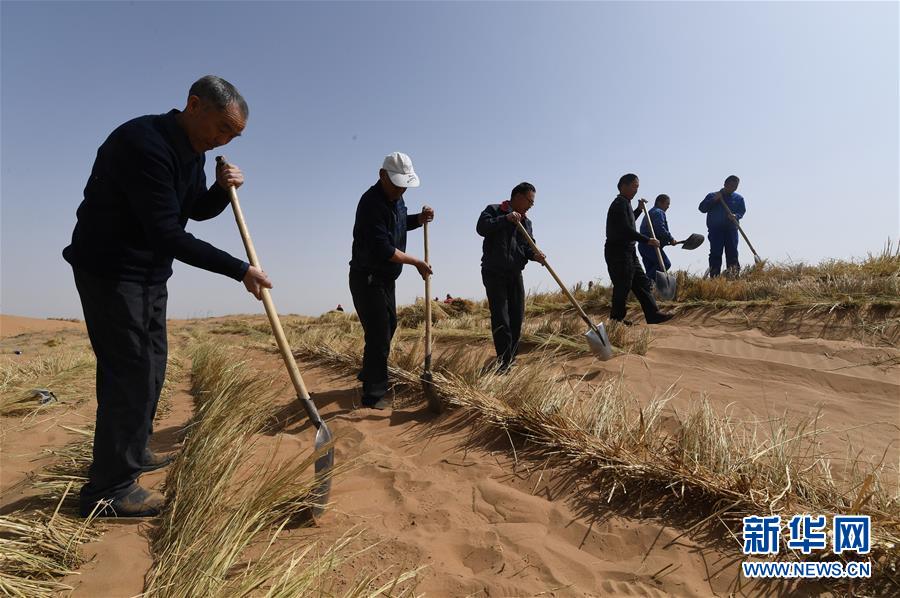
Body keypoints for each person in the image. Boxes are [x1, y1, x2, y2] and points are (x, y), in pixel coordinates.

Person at [62, 75, 272, 518]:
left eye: (233, 137)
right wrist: (239, 270)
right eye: (222, 129)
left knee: (153, 367)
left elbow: (190, 208)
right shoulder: (143, 143)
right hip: (113, 272)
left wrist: (219, 190)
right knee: (131, 374)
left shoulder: (193, 150)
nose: (223, 141)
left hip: (149, 275)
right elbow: (167, 232)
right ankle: (109, 491)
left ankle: (133, 452)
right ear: (194, 105)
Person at [349, 152, 433, 409]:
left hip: (386, 278)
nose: (400, 190)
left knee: (388, 327)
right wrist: (417, 262)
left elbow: (397, 225)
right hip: (367, 277)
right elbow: (383, 248)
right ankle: (373, 394)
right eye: (396, 184)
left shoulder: (397, 199)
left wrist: (418, 220)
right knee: (378, 333)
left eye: (404, 185)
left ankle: (369, 373)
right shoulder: (371, 203)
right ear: (382, 175)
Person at [476, 182, 546, 373]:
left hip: (515, 274)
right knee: (501, 317)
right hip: (494, 272)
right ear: (518, 197)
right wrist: (506, 219)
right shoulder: (494, 210)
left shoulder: (526, 223)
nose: (531, 205)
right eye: (530, 201)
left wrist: (535, 255)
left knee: (517, 317)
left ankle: (511, 357)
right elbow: (482, 228)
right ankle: (503, 362)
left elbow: (526, 247)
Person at [604, 174, 673, 326]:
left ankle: (653, 314)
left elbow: (629, 222)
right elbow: (625, 229)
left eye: (637, 187)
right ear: (624, 185)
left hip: (629, 251)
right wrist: (647, 240)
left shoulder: (626, 203)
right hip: (618, 252)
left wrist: (639, 210)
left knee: (642, 283)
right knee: (623, 285)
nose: (636, 190)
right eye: (634, 186)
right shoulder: (619, 203)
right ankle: (616, 320)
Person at [699, 175, 746, 277]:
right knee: (715, 253)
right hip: (716, 231)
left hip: (731, 230)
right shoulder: (713, 195)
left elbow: (741, 211)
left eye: (736, 186)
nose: (734, 188)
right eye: (732, 185)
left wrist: (735, 216)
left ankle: (733, 277)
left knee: (732, 254)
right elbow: (702, 208)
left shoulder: (739, 199)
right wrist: (714, 200)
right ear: (725, 184)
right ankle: (715, 277)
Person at [638, 194, 677, 281]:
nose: (668, 207)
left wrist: (666, 241)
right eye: (667, 204)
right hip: (650, 245)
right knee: (665, 264)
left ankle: (647, 289)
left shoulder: (651, 212)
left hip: (643, 245)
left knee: (651, 270)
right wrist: (670, 239)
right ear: (659, 203)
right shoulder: (659, 212)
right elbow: (660, 228)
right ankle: (644, 282)